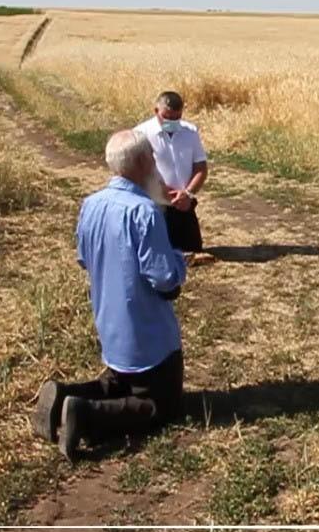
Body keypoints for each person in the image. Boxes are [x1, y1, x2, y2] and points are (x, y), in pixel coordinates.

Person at [31, 130, 188, 461]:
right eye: (154, 160)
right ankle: (86, 415)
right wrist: (177, 253)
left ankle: (65, 396)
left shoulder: (91, 204)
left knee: (120, 382)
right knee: (160, 404)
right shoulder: (145, 213)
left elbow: (83, 259)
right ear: (145, 162)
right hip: (149, 335)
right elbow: (165, 280)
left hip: (110, 326)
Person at [134, 91, 214, 264]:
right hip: (156, 207)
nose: (171, 123)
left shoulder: (190, 132)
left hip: (184, 204)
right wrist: (160, 191)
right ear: (156, 111)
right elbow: (135, 172)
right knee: (158, 257)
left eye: (176, 118)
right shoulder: (141, 134)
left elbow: (201, 168)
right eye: (167, 118)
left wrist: (188, 193)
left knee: (193, 251)